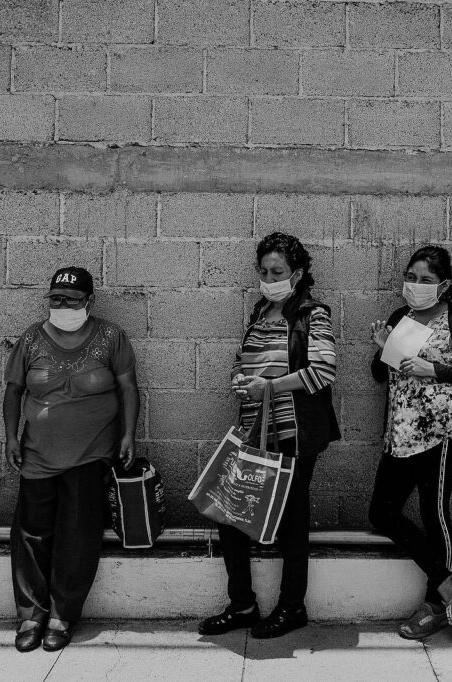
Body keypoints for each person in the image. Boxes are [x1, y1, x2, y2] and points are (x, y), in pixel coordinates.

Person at [199, 232, 340, 640]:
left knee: (291, 524)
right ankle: (242, 604)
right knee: (229, 516)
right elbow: (246, 360)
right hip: (253, 433)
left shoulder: (313, 314)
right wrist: (240, 378)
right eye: (262, 271)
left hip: (293, 435)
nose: (268, 277)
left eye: (277, 271)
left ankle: (292, 607)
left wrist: (269, 387)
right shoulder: (260, 311)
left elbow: (323, 371)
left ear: (296, 274)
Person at [4, 266, 139, 653]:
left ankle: (63, 614)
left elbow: (129, 387)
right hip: (37, 455)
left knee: (78, 536)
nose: (62, 306)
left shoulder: (111, 336)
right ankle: (31, 613)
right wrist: (10, 437)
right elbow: (14, 390)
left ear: (89, 302)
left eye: (71, 300)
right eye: (56, 299)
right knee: (31, 534)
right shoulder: (31, 338)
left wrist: (128, 434)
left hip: (92, 453)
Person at [367, 245, 452, 644]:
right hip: (400, 434)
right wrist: (383, 347)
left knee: (433, 511)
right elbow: (380, 375)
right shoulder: (400, 317)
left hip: (440, 435)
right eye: (411, 277)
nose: (416, 286)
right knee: (381, 513)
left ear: (444, 285)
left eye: (425, 280)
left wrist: (433, 368)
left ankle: (436, 607)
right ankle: (448, 584)